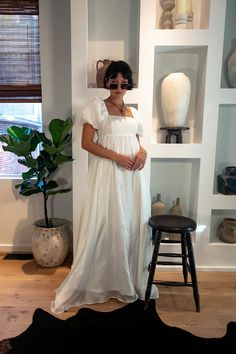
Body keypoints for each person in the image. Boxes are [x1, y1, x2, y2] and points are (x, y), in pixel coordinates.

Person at [51, 60, 158, 314]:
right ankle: (104, 281)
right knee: (110, 221)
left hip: (133, 176)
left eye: (123, 81)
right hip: (109, 175)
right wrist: (117, 157)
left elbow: (138, 142)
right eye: (114, 80)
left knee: (131, 222)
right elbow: (87, 144)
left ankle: (129, 279)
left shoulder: (134, 113)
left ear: (129, 83)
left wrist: (142, 153)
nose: (119, 85)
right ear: (107, 82)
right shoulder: (96, 108)